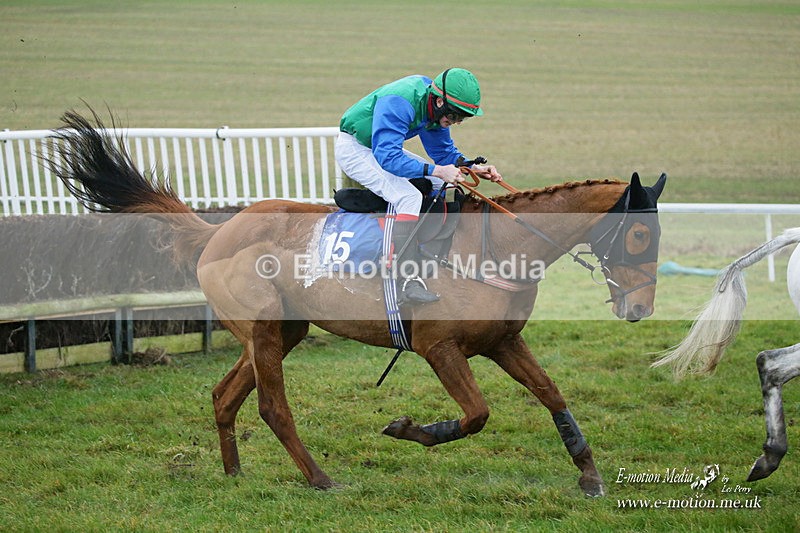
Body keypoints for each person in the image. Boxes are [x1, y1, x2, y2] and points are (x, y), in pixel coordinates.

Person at [335, 68, 502, 304]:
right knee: (409, 198)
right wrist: (437, 170)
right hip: (357, 149)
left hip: (380, 148)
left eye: (462, 118)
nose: (456, 122)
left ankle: (430, 253)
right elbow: (388, 158)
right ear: (440, 101)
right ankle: (404, 278)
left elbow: (442, 153)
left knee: (443, 183)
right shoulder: (401, 101)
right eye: (454, 116)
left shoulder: (434, 107)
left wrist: (472, 168)